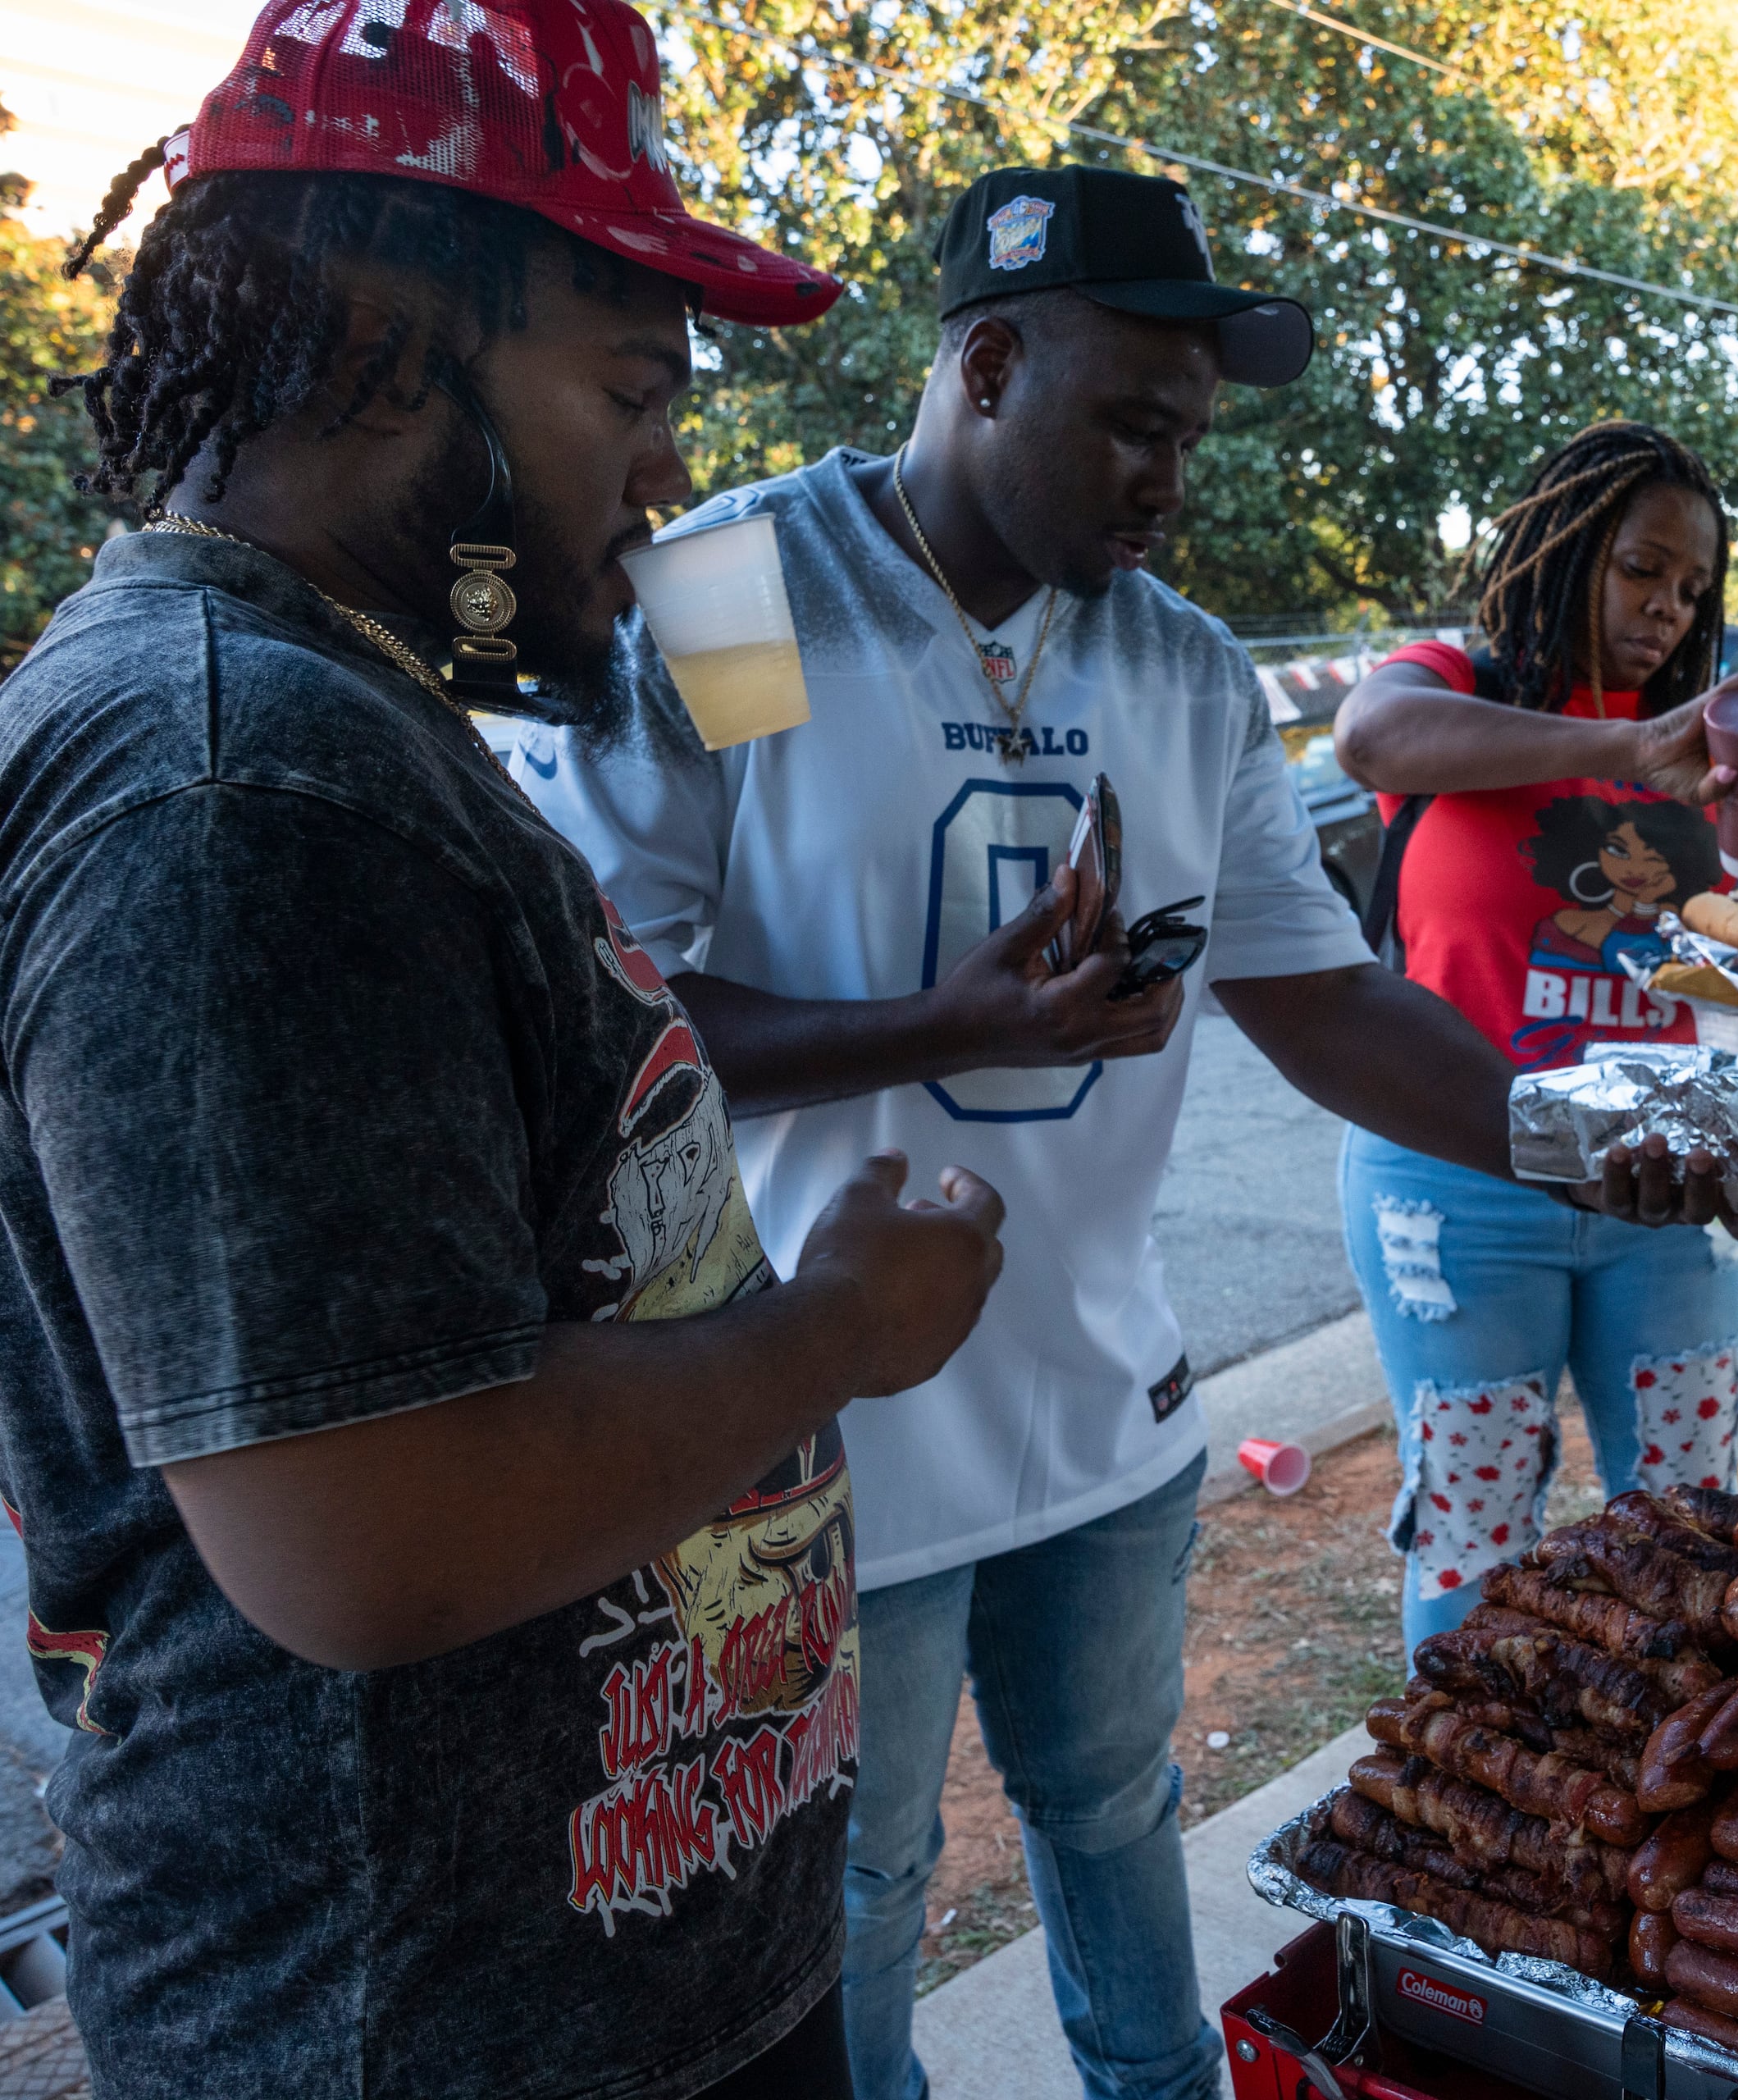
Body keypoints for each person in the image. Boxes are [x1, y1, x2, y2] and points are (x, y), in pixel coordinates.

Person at [520, 177, 1738, 2100]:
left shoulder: (1173, 667)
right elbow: (616, 1019)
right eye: (1134, 425)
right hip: (813, 1434)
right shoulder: (740, 601)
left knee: (1115, 1816)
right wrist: (952, 1020)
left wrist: (1585, 1138)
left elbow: (1322, 997)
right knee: (859, 1890)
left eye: (1191, 435)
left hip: (1098, 1407)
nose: (1170, 476)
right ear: (987, 365)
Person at [9, 3, 1013, 2093]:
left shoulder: (341, 713)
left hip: (603, 1990)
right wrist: (836, 1325)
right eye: (629, 388)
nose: (666, 472)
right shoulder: (237, 784)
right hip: (426, 2029)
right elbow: (375, 1529)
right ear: (376, 335)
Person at [1330, 423, 1738, 1646]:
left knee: (1691, 1533)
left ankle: (1653, 1801)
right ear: (1567, 546)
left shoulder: (1699, 745)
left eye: (1692, 586)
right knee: (1476, 1542)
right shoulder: (1459, 687)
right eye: (1642, 567)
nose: (1667, 606)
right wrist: (1625, 747)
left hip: (1664, 1185)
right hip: (1460, 1183)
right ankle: (1467, 1818)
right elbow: (1367, 739)